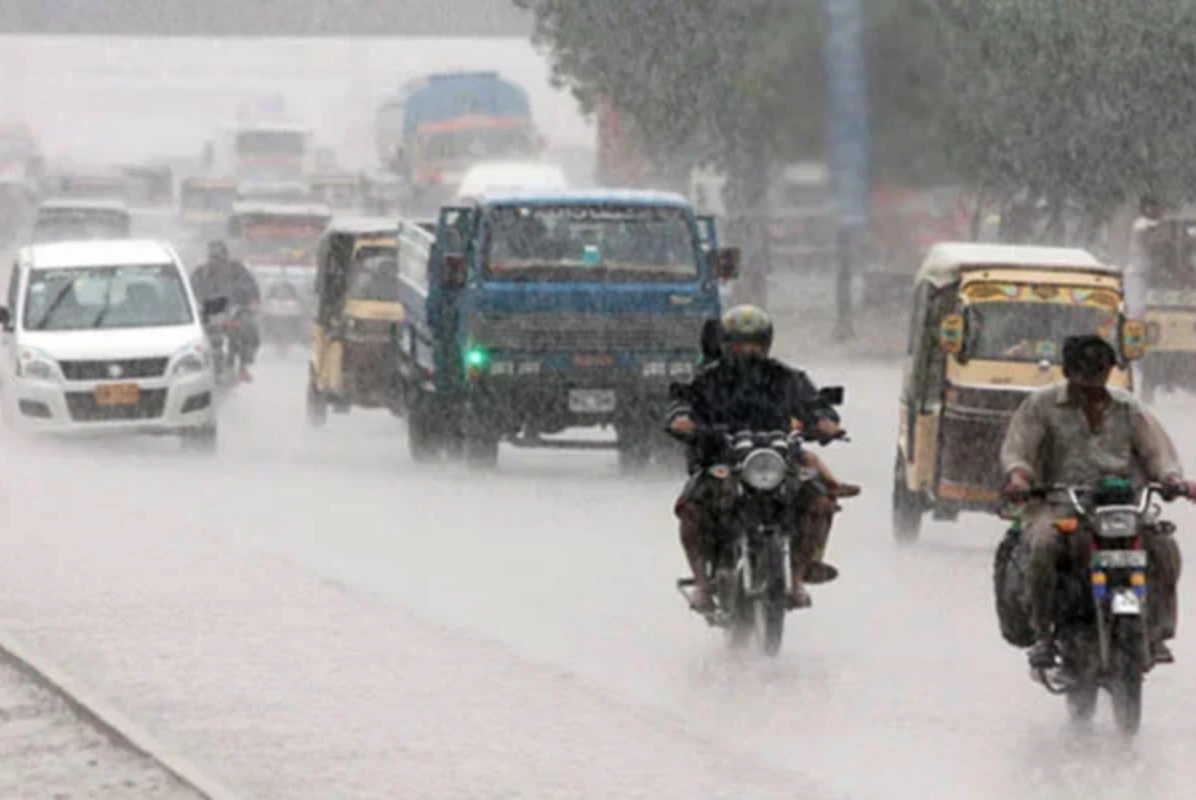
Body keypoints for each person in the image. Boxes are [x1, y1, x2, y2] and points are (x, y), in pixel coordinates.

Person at [1000, 334, 1195, 667]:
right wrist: (1019, 478)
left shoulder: (1128, 407)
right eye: (1085, 374)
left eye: (1101, 371)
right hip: (1058, 504)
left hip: (1119, 507)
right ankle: (1044, 633)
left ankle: (1158, 631)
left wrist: (1173, 480)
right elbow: (1018, 451)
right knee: (1044, 547)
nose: (1094, 382)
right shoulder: (1041, 406)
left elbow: (1157, 453)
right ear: (1069, 372)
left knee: (1163, 548)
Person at [667, 304, 856, 610]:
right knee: (691, 509)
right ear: (725, 344)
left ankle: (799, 575)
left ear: (766, 344)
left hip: (778, 460)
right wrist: (683, 420)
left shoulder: (786, 377)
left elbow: (813, 404)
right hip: (722, 460)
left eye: (755, 343)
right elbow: (683, 403)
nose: (748, 350)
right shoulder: (707, 380)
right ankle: (701, 583)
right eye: (739, 343)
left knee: (820, 503)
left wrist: (824, 422)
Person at [190, 240, 262, 382]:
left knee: (250, 329)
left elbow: (250, 288)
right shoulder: (200, 274)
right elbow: (192, 291)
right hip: (209, 314)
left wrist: (251, 302)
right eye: (213, 258)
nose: (217, 262)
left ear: (226, 257)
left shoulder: (238, 271)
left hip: (236, 311)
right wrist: (197, 306)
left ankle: (244, 365)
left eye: (220, 258)